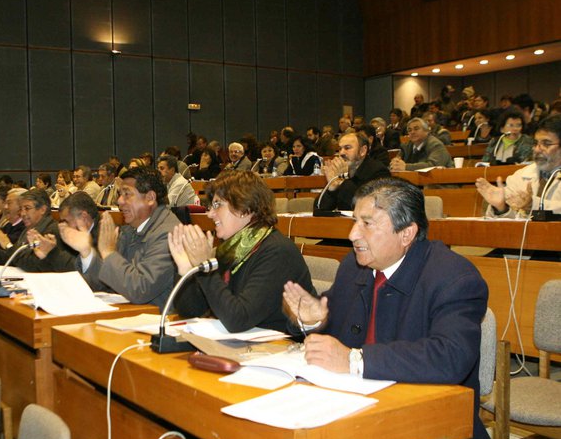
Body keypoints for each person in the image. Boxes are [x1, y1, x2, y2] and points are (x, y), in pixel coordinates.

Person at [283, 176, 491, 439]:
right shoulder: (354, 266)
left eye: (367, 224)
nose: (353, 234)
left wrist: (355, 360)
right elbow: (334, 335)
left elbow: (450, 356)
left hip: (431, 426)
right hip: (357, 411)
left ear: (406, 234)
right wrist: (313, 321)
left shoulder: (454, 277)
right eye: (354, 221)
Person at [169, 170, 316, 333]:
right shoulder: (229, 250)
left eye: (217, 205)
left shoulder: (278, 252)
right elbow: (191, 311)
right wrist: (185, 268)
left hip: (280, 344)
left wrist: (207, 268)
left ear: (244, 208)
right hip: (241, 343)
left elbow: (239, 319)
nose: (210, 214)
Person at [57, 167, 180, 309]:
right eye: (120, 194)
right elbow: (104, 282)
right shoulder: (129, 230)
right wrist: (87, 253)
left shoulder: (169, 233)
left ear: (150, 198)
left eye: (127, 194)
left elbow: (141, 289)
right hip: (127, 314)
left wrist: (109, 253)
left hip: (158, 318)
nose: (119, 201)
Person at [476, 114, 561, 219]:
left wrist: (533, 204)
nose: (537, 149)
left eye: (546, 144)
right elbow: (516, 221)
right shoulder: (521, 175)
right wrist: (501, 208)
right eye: (535, 143)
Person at [0, 190, 73, 271]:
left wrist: (8, 246)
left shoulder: (51, 231)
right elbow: (11, 260)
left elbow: (33, 266)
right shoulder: (29, 229)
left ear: (42, 209)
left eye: (27, 208)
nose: (22, 213)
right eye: (21, 209)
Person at [315, 133, 390, 212]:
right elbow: (318, 209)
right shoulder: (338, 173)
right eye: (340, 149)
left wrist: (342, 181)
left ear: (362, 151)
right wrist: (332, 187)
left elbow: (362, 206)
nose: (341, 153)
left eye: (347, 148)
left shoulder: (378, 171)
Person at [390, 117, 454, 171]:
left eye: (416, 129)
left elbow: (433, 166)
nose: (412, 132)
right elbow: (397, 162)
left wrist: (406, 167)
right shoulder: (406, 147)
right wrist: (395, 164)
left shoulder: (436, 145)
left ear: (426, 131)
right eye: (409, 130)